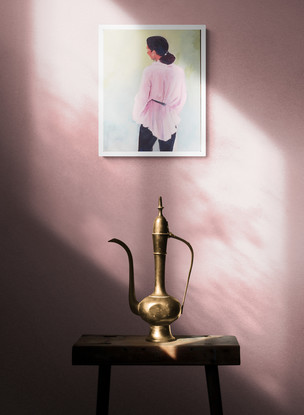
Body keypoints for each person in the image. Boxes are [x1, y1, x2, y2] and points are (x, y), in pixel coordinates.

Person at [133, 36, 187, 152]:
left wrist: (137, 116)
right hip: (169, 117)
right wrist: (172, 111)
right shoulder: (179, 71)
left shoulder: (150, 71)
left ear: (154, 52)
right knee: (167, 154)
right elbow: (182, 98)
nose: (147, 52)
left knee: (144, 152)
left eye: (148, 50)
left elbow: (142, 97)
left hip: (150, 116)